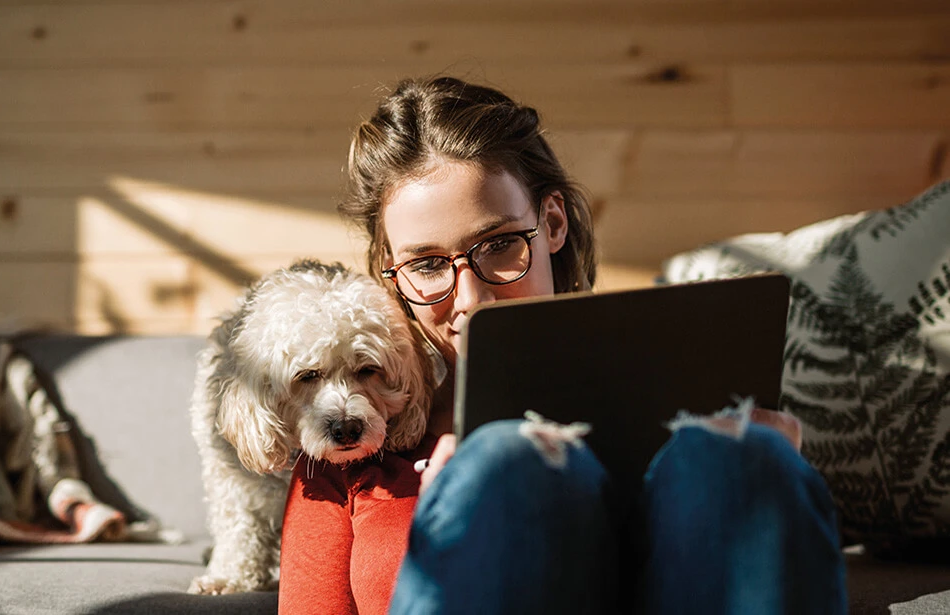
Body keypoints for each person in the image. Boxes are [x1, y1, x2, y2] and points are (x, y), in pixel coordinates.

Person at [277, 76, 847, 615]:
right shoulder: (346, 450)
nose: (472, 298)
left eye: (499, 245)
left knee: (743, 456)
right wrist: (464, 508)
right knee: (508, 462)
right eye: (427, 264)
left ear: (552, 223)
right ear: (390, 272)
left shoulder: (688, 430)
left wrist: (767, 474)